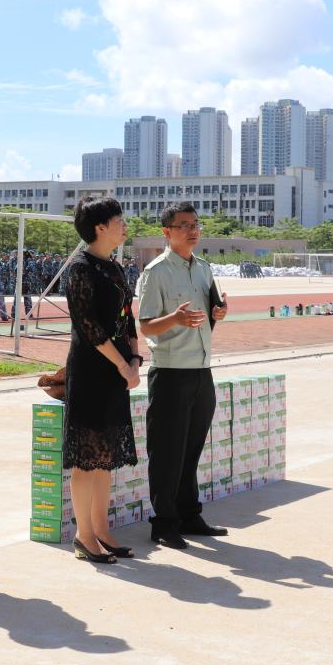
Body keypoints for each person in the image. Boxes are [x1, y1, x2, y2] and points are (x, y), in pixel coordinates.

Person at [136, 201, 228, 549]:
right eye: (184, 225)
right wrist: (174, 318)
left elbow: (210, 313)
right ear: (167, 232)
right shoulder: (156, 272)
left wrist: (219, 312)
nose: (193, 230)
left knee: (191, 450)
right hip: (171, 372)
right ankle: (163, 523)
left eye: (196, 224)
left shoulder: (203, 269)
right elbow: (146, 325)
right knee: (167, 453)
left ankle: (189, 515)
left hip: (201, 370)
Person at [64, 196, 140, 563]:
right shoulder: (80, 268)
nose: (125, 225)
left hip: (116, 370)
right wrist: (123, 364)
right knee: (87, 457)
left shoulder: (114, 267)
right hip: (92, 371)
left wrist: (135, 358)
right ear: (100, 227)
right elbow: (88, 326)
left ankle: (101, 529)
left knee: (105, 455)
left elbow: (127, 316)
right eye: (119, 220)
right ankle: (84, 535)